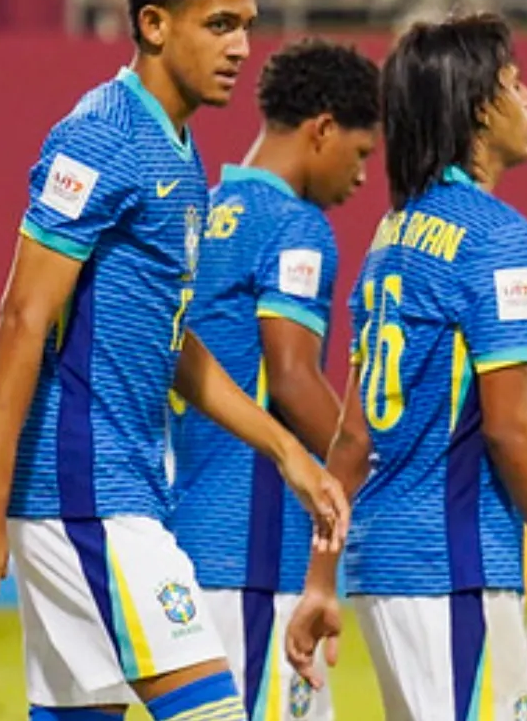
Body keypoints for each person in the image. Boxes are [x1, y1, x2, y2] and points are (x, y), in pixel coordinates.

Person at [0, 0, 347, 721]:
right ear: (154, 25)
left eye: (246, 27)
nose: (241, 48)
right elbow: (23, 313)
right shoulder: (103, 136)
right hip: (86, 492)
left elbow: (171, 342)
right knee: (213, 710)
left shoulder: (181, 155)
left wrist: (286, 450)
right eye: (219, 25)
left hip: (112, 486)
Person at [283, 12, 527, 719]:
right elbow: (509, 427)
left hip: (382, 565)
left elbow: (353, 436)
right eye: (515, 83)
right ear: (479, 107)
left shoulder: (390, 237)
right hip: (453, 565)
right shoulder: (496, 237)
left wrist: (320, 579)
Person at [169, 39, 380, 721]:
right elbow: (291, 379)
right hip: (258, 551)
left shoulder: (204, 213)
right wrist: (366, 467)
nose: (361, 176)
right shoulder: (295, 226)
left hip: (197, 534)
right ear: (323, 129)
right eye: (360, 153)